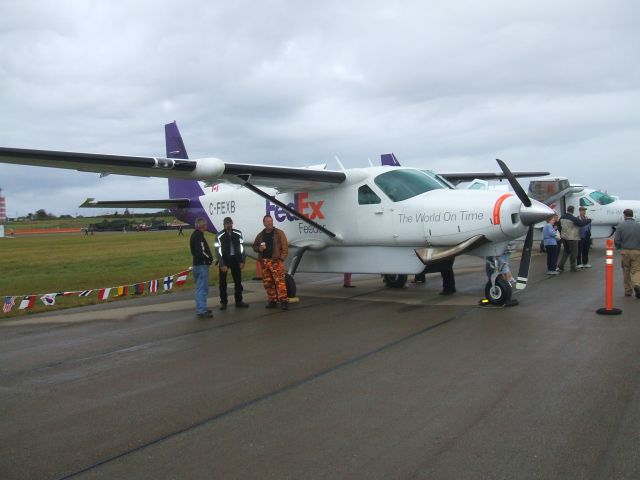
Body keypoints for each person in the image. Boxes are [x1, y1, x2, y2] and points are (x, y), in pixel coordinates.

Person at [253, 215, 289, 310]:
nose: (269, 223)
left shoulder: (279, 233)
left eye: (271, 221)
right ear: (264, 223)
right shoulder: (260, 235)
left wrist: (281, 259)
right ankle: (272, 300)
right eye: (267, 221)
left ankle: (284, 301)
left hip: (276, 261)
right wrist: (259, 248)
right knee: (268, 283)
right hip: (264, 262)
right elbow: (254, 246)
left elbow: (285, 248)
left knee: (280, 283)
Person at [216, 217, 249, 310]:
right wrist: (222, 264)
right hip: (225, 260)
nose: (228, 225)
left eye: (230, 223)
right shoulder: (219, 235)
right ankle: (223, 302)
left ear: (232, 223)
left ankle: (239, 301)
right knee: (222, 283)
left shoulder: (238, 233)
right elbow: (217, 251)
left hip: (236, 259)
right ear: (224, 225)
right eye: (226, 223)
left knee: (238, 281)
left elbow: (242, 247)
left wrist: (242, 261)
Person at [613, 209, 640, 298]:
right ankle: (636, 284)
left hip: (625, 251)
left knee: (626, 270)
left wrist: (619, 247)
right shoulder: (638, 225)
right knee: (636, 270)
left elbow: (616, 240)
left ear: (624, 215)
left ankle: (628, 291)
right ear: (632, 215)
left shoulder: (620, 226)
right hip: (636, 251)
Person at [190, 217, 213, 318]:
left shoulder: (194, 235)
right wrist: (209, 258)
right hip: (201, 265)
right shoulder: (199, 236)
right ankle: (201, 310)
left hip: (197, 264)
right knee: (202, 288)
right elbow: (201, 251)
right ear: (202, 226)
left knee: (201, 288)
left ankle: (202, 307)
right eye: (205, 225)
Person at [557, 205, 591, 273]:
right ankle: (573, 268)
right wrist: (589, 220)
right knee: (574, 253)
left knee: (566, 252)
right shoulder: (573, 218)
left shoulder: (562, 217)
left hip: (564, 237)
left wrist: (561, 233)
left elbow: (559, 226)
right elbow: (581, 224)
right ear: (573, 210)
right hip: (572, 238)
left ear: (567, 210)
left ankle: (560, 266)